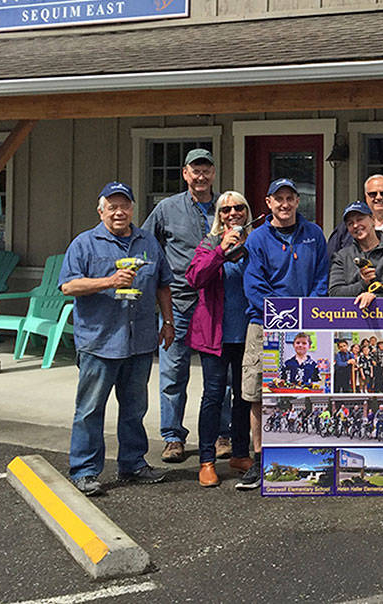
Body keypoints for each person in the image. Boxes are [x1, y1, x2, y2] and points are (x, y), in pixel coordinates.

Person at [59, 182, 174, 496]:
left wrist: (168, 322)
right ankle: (84, 471)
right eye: (112, 206)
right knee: (90, 410)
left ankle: (133, 464)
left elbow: (164, 284)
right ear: (101, 211)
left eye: (125, 205)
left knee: (135, 408)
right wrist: (109, 281)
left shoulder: (148, 242)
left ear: (133, 209)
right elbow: (68, 287)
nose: (119, 212)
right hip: (100, 341)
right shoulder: (85, 244)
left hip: (140, 341)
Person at [240, 178, 331, 490]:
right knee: (259, 393)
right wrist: (281, 315)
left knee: (304, 390)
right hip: (263, 322)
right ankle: (259, 458)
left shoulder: (314, 234)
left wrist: (308, 312)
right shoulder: (257, 239)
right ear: (268, 202)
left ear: (297, 202)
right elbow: (254, 284)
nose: (285, 204)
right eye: (278, 199)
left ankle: (298, 453)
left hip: (307, 323)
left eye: (290, 198)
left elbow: (322, 275)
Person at [140, 147, 225, 464]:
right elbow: (148, 245)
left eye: (206, 170)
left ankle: (221, 435)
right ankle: (173, 437)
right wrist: (154, 283)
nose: (201, 176)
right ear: (185, 173)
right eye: (195, 170)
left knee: (220, 376)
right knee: (173, 372)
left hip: (217, 302)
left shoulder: (226, 206)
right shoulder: (166, 209)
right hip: (178, 301)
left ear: (213, 173)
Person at [185, 190, 255, 488]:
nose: (232, 214)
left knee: (244, 396)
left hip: (247, 332)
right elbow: (195, 278)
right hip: (215, 334)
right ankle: (207, 459)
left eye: (238, 208)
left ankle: (240, 453)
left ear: (246, 212)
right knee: (213, 396)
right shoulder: (209, 243)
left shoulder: (255, 243)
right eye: (225, 210)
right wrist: (221, 250)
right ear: (219, 215)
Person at [328, 199, 383, 312]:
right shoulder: (341, 256)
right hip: (350, 319)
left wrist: (375, 297)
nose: (356, 225)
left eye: (360, 219)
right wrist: (363, 283)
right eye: (350, 223)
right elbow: (335, 293)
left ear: (373, 220)